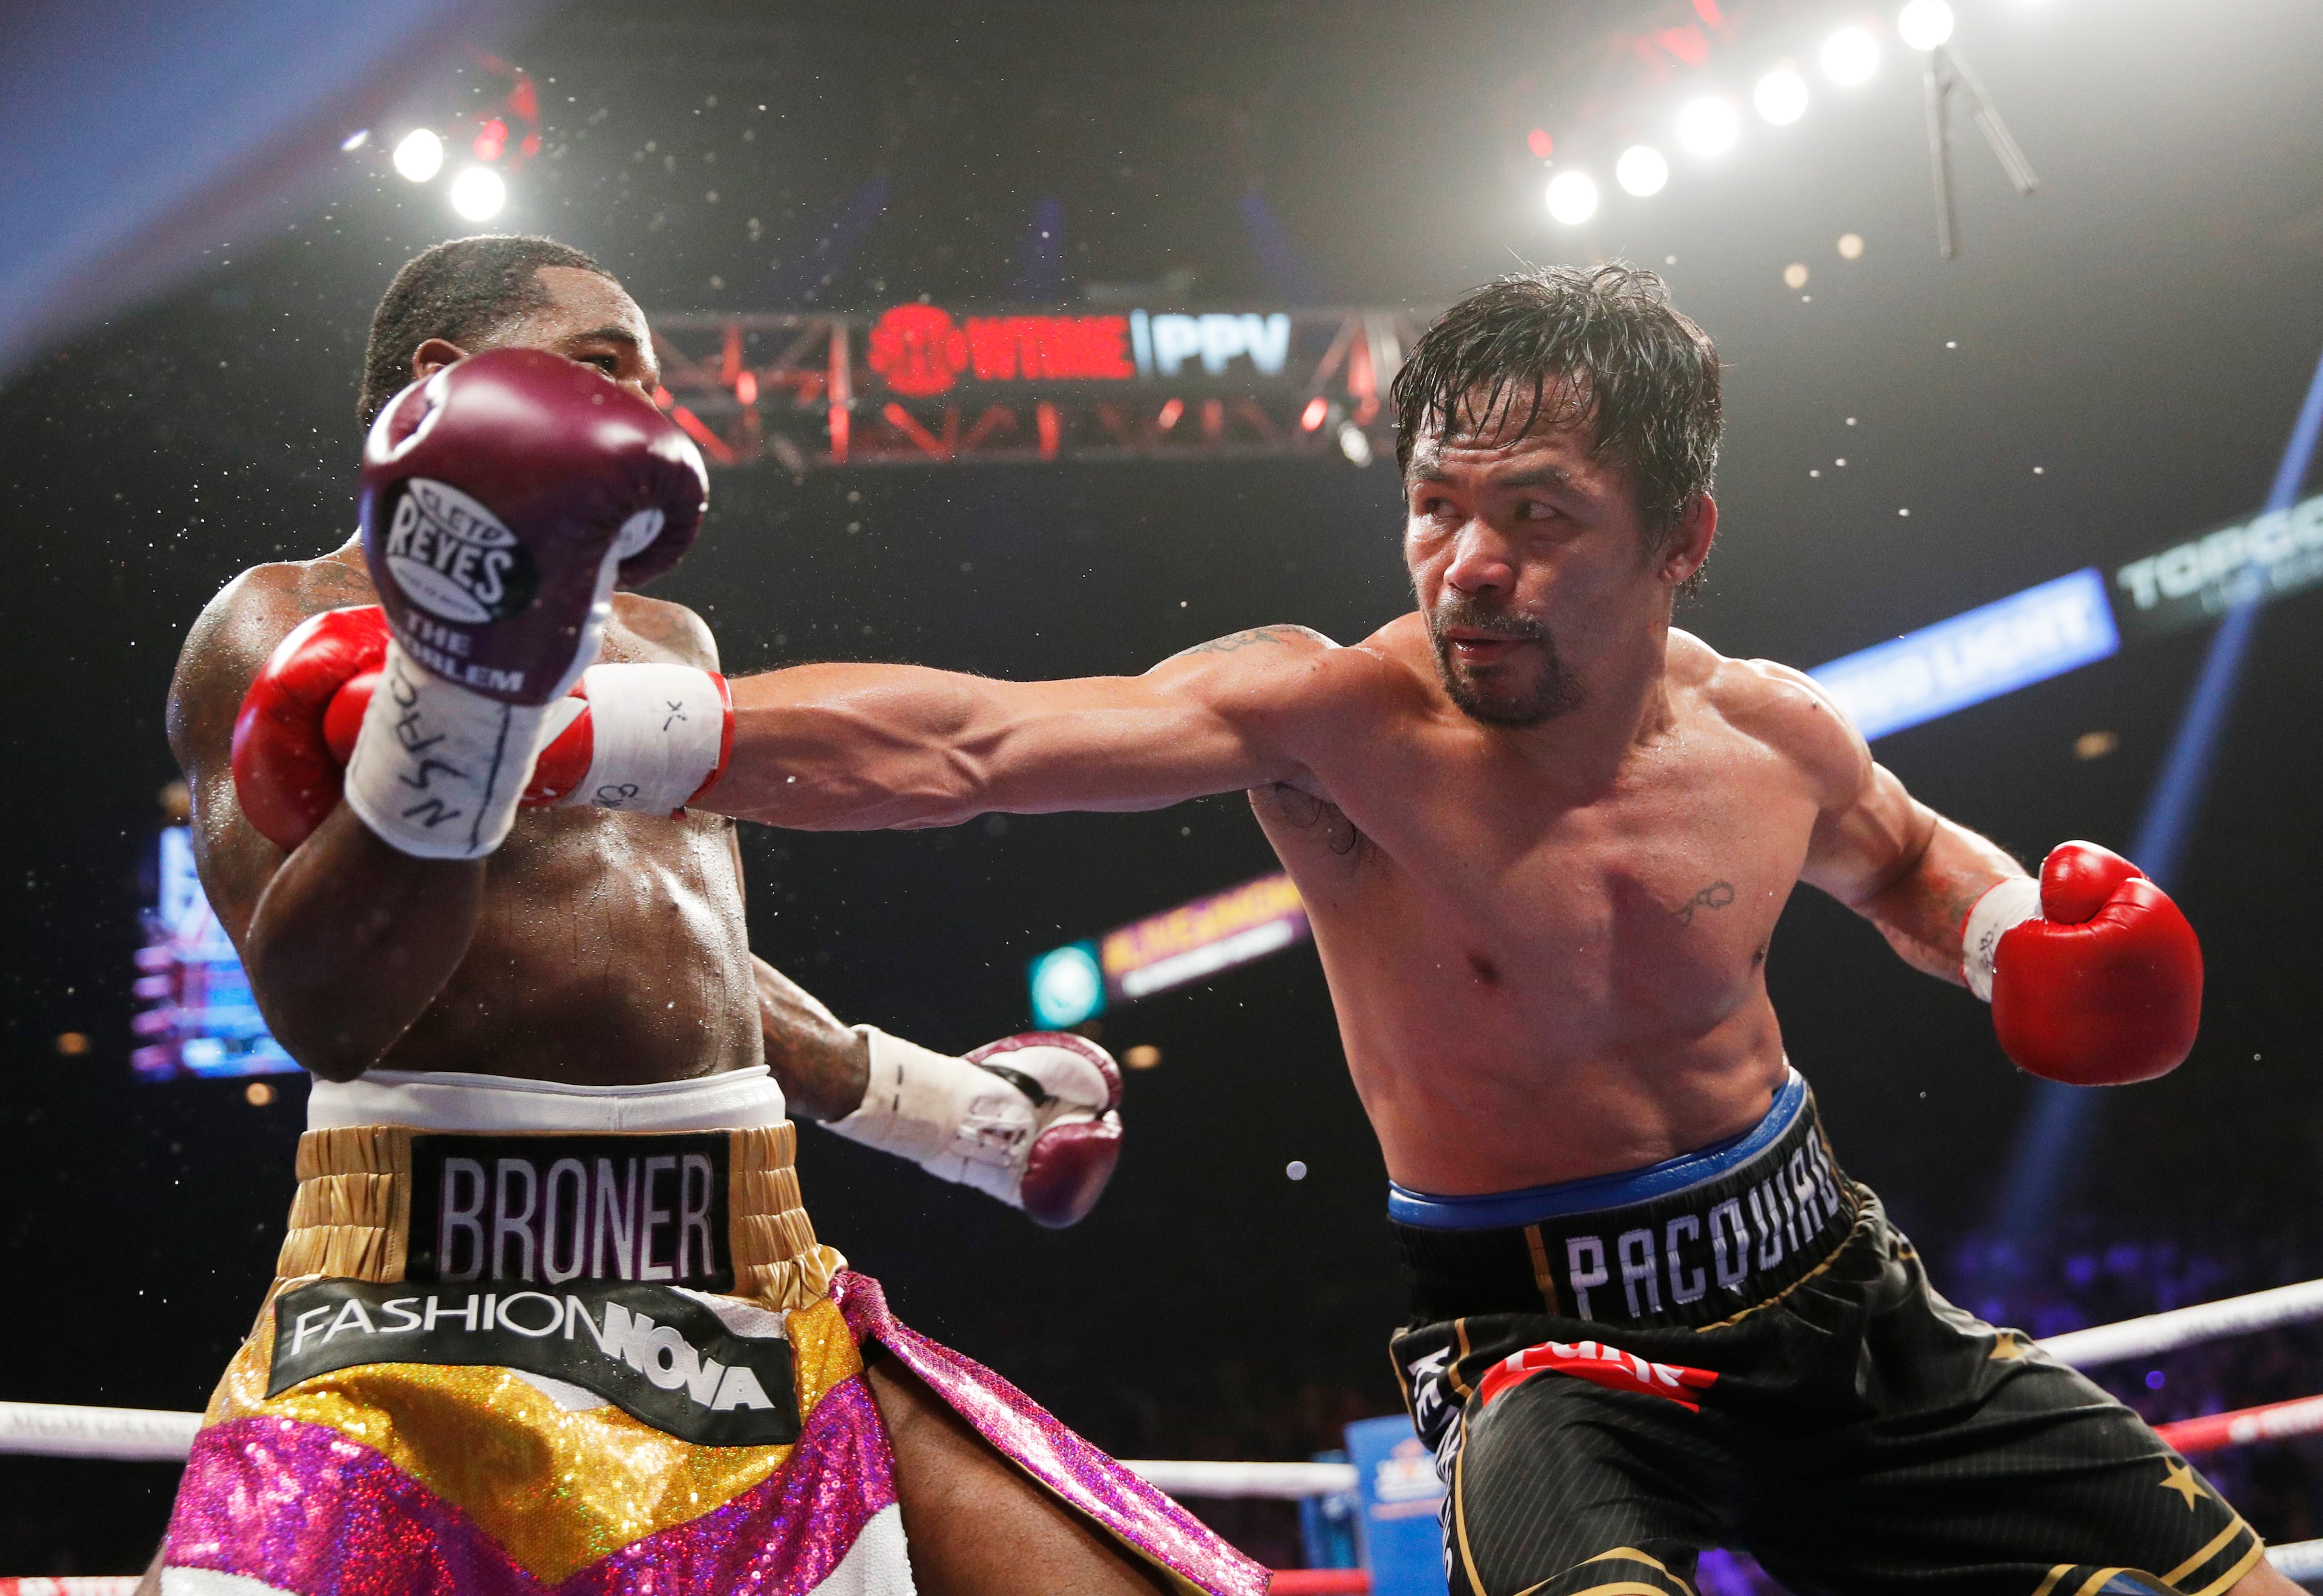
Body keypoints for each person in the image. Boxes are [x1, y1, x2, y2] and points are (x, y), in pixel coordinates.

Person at [691, 264, 2278, 1596]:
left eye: (1538, 514)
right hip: (1545, 1352)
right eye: (1435, 507)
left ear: (1682, 539)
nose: (1469, 565)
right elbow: (971, 746)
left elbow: (1912, 857)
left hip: (1841, 1295)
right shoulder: (1328, 721)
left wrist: (2012, 929)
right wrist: (590, 726)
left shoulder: (1774, 735)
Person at [145, 235, 1262, 1596]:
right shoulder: (278, 617)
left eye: (653, 386)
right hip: (416, 1281)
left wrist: (941, 1110)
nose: (645, 413)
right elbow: (323, 1005)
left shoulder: (669, 643)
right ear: (442, 388)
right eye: (600, 366)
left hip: (745, 1268)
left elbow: (689, 951)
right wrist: (461, 689)